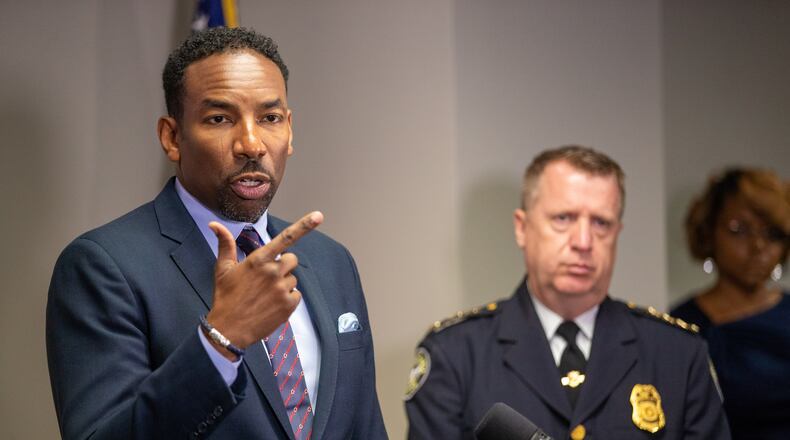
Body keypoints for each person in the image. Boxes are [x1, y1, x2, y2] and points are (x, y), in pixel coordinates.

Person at [46, 27, 387, 440]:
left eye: (270, 118)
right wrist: (220, 341)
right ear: (172, 137)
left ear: (290, 130)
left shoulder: (332, 261)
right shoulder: (103, 266)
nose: (251, 143)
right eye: (220, 118)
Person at [404, 146, 730, 439]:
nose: (584, 242)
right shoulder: (456, 355)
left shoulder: (678, 354)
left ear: (617, 233)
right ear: (522, 228)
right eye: (564, 218)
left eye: (601, 223)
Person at [671, 168, 789, 439]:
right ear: (709, 233)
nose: (758, 245)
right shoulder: (681, 326)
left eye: (773, 234)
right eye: (739, 230)